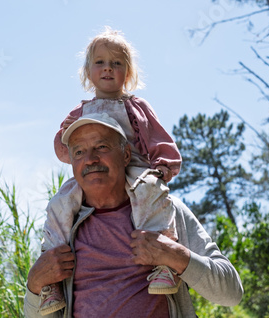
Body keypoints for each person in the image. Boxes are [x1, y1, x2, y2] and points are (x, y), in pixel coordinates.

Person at [24, 113, 243, 318]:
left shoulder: (165, 211)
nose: (90, 159)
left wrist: (176, 256)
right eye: (79, 152)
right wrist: (34, 285)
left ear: (126, 155)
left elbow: (231, 293)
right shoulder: (63, 226)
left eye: (101, 146)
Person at [39, 26, 183, 315]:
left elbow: (158, 137)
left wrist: (162, 166)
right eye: (100, 62)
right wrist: (65, 135)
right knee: (59, 203)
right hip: (94, 178)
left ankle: (163, 266)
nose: (108, 68)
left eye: (117, 63)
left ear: (127, 73)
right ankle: (49, 282)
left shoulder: (136, 107)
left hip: (135, 171)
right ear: (88, 72)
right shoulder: (80, 112)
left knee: (153, 196)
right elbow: (64, 149)